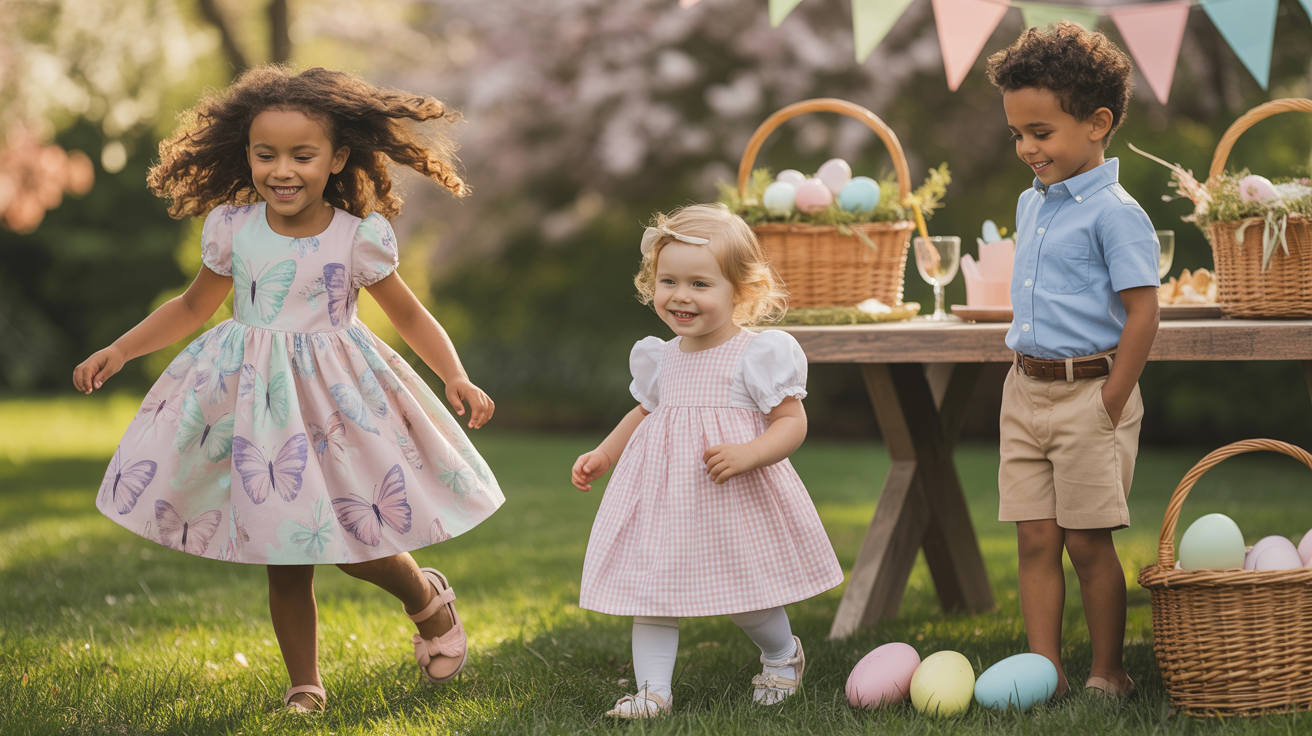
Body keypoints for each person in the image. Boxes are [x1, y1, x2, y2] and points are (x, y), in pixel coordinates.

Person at [72, 66, 505, 713]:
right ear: (246, 153)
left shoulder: (357, 237)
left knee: (359, 546)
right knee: (283, 548)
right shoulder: (233, 227)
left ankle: (425, 599)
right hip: (257, 404)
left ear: (336, 159)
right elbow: (193, 307)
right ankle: (305, 682)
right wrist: (120, 347)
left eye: (302, 155)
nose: (282, 169)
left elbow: (411, 315)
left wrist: (455, 375)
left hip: (337, 404)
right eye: (265, 153)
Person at [570, 203, 844, 718]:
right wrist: (605, 453)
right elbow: (644, 412)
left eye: (700, 284)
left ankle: (782, 655)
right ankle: (653, 692)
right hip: (664, 499)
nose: (680, 296)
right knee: (652, 594)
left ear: (740, 292)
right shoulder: (662, 356)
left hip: (730, 497)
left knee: (746, 592)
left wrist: (750, 452)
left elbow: (792, 422)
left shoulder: (755, 354)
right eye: (668, 280)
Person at [985, 22, 1160, 699]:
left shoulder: (1116, 214)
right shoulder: (1033, 204)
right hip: (1025, 391)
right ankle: (1044, 672)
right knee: (1035, 537)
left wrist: (1111, 400)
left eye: (1041, 132)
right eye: (1017, 135)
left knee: (1088, 543)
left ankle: (1107, 671)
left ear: (1097, 123)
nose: (1027, 148)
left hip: (1090, 393)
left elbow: (1143, 313)